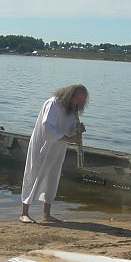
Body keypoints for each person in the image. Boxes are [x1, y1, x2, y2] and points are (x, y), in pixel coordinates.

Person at [20, 84, 88, 224]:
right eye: (78, 99)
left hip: (58, 147)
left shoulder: (72, 110)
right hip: (43, 145)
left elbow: (69, 130)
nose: (79, 103)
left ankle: (46, 214)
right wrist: (69, 139)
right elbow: (47, 127)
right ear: (70, 95)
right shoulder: (53, 103)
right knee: (33, 175)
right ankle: (24, 213)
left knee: (52, 178)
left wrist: (77, 130)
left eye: (82, 101)